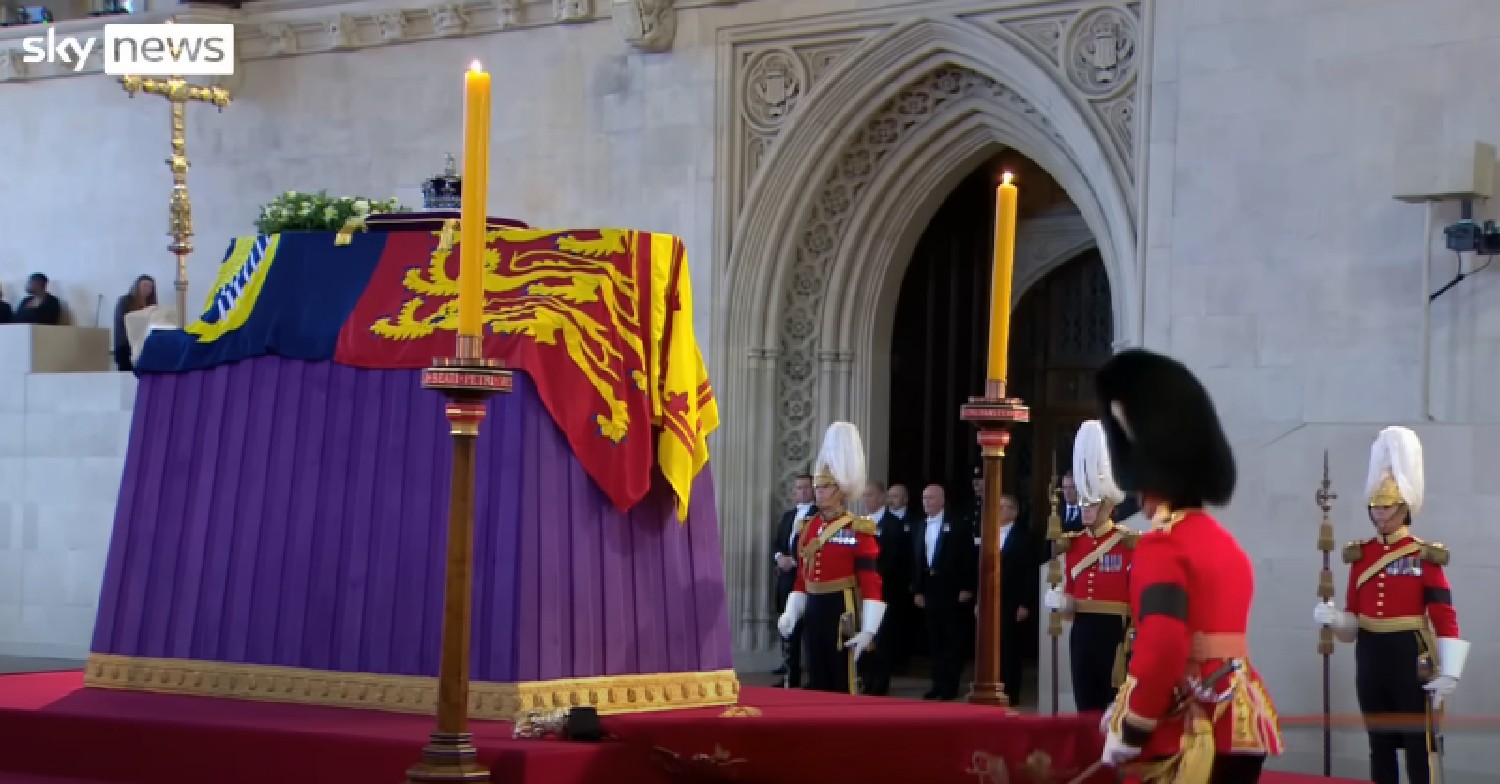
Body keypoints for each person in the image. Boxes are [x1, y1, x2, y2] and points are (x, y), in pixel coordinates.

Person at [1095, 349, 1281, 784]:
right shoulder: (1225, 543)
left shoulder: (1163, 546)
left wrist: (1135, 721)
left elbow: (1163, 643)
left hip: (1186, 728)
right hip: (1239, 720)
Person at [1313, 426, 1468, 784]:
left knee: (1417, 743)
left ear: (1404, 509)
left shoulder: (1424, 555)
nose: (1380, 514)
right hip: (1370, 653)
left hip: (1410, 654)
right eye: (1375, 507)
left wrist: (1450, 671)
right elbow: (1354, 621)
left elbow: (1444, 614)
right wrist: (1336, 619)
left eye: (1387, 507)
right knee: (1378, 742)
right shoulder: (1360, 555)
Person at [777, 422, 885, 694]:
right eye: (817, 487)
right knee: (816, 674)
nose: (819, 492)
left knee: (843, 678)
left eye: (825, 488)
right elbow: (803, 574)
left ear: (839, 490)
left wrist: (869, 629)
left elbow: (870, 580)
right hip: (814, 607)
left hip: (842, 610)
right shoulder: (809, 526)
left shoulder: (857, 528)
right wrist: (792, 610)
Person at [1045, 419, 1136, 712]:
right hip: (1083, 630)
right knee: (1085, 698)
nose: (1085, 510)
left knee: (1113, 704)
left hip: (1115, 632)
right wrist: (1062, 601)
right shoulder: (1074, 544)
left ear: (1109, 506)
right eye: (1083, 504)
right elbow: (1071, 591)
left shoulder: (1128, 542)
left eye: (1092, 504)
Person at [113, 275, 158, 371]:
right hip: (125, 345)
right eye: (145, 285)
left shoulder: (151, 304)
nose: (147, 289)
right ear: (137, 285)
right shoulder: (125, 301)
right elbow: (124, 319)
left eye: (150, 287)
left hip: (145, 345)